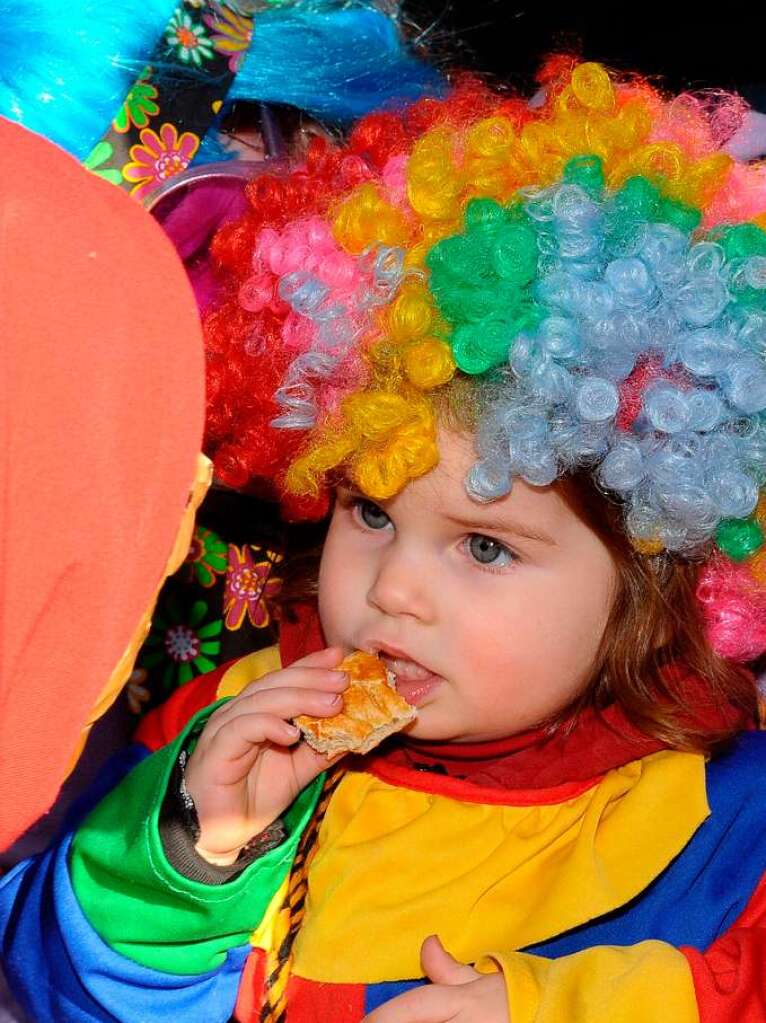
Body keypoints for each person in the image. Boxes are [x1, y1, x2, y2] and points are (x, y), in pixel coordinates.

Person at [4, 59, 766, 1023]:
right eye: (370, 512)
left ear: (661, 582)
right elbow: (40, 989)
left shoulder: (728, 825)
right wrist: (190, 859)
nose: (393, 588)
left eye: (485, 547)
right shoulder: (233, 724)